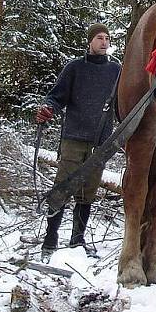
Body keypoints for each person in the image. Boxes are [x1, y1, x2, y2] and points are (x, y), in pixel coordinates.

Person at [36, 23, 121, 257]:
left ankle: (77, 239)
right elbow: (56, 96)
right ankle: (50, 239)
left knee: (88, 191)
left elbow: (123, 103)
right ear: (90, 41)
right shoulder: (74, 68)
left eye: (107, 38)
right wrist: (47, 109)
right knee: (63, 186)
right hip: (74, 138)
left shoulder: (116, 71)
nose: (104, 42)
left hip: (100, 142)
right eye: (99, 38)